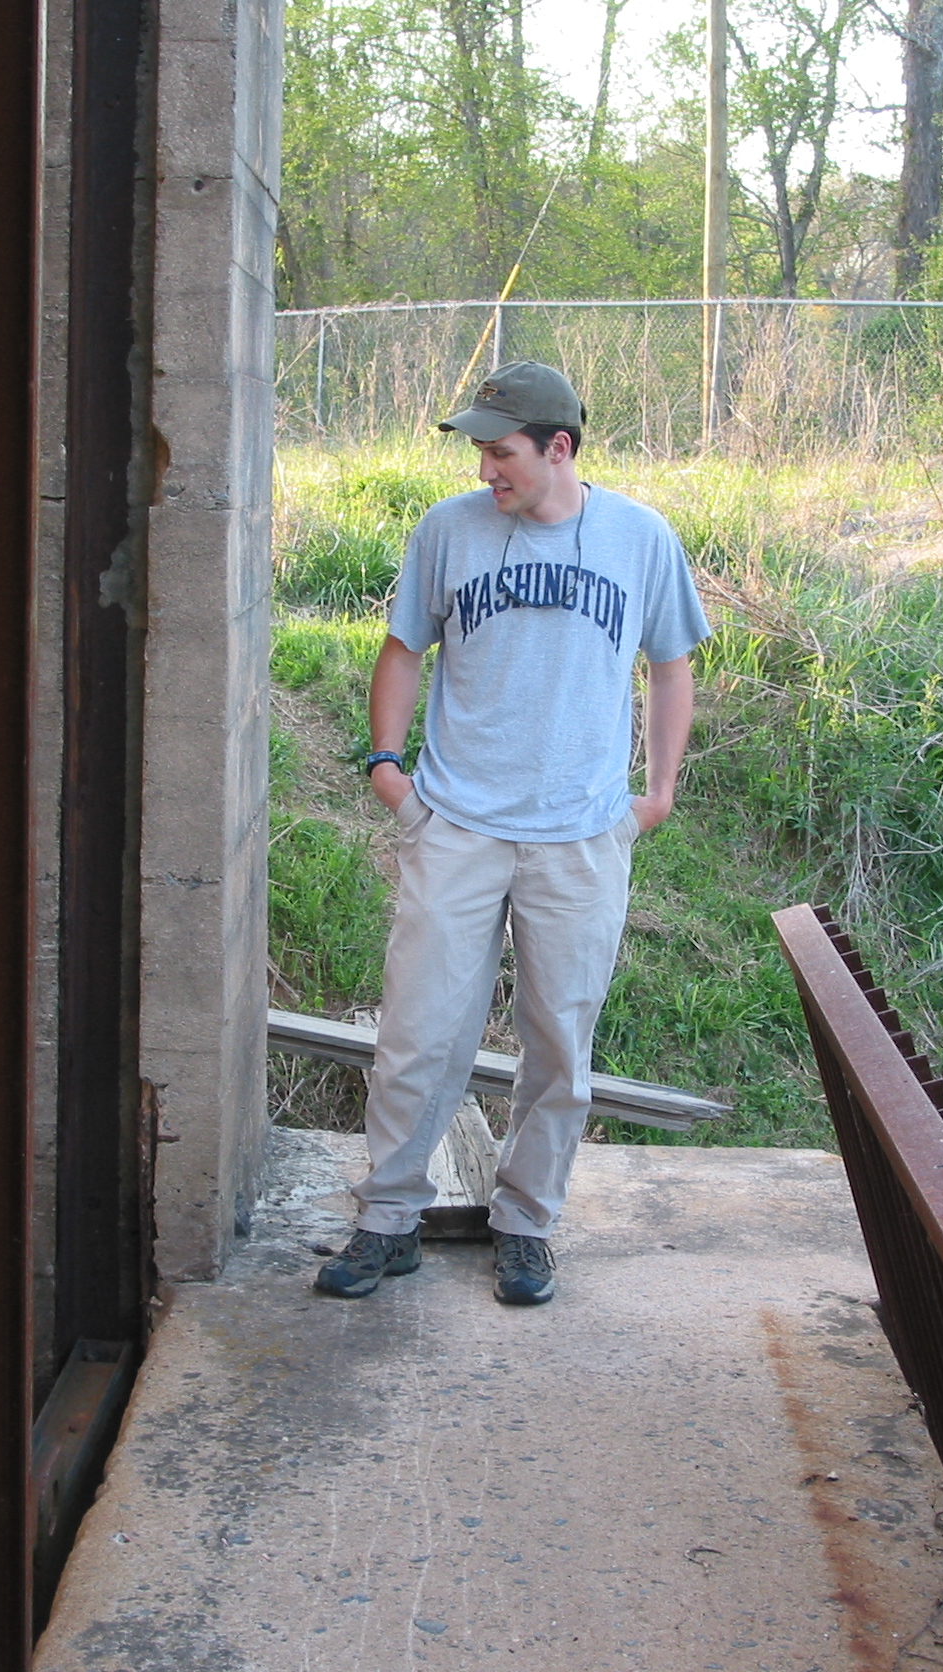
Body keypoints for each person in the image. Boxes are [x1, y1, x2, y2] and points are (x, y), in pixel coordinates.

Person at [314, 361, 711, 1306]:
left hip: (578, 837)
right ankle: (388, 1219)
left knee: (558, 1045)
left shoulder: (640, 539)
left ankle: (526, 1224)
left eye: (501, 452)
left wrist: (653, 794)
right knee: (418, 1031)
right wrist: (386, 766)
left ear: (558, 448)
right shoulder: (448, 531)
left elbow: (671, 664)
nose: (487, 469)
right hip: (456, 823)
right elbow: (403, 648)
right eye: (481, 453)